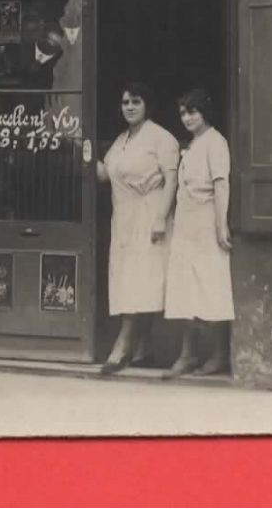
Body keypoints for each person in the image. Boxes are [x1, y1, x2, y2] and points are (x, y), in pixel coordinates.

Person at [94, 81, 179, 373]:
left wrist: (160, 218)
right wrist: (81, 149)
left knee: (140, 280)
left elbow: (172, 180)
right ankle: (144, 347)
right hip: (124, 216)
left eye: (136, 102)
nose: (129, 107)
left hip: (149, 215)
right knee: (127, 279)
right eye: (125, 102)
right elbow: (106, 175)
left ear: (148, 106)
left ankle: (122, 345)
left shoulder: (161, 138)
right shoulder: (121, 140)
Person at [163, 87, 234, 377]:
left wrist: (221, 224)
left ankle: (220, 355)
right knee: (185, 288)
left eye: (192, 111)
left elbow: (221, 184)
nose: (187, 118)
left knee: (211, 287)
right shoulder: (192, 145)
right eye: (182, 113)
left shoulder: (215, 142)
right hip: (186, 223)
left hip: (206, 222)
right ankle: (188, 354)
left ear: (205, 112)